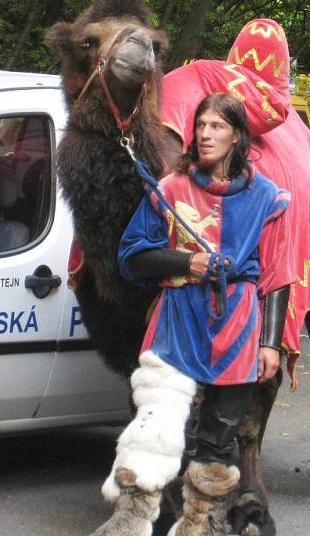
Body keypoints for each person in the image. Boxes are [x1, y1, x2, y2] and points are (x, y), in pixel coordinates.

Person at [97, 93, 292, 536]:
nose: (205, 134)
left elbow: (279, 276)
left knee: (218, 439)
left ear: (238, 136)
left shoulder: (268, 198)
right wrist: (187, 264)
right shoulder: (170, 188)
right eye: (200, 124)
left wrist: (270, 344)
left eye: (217, 126)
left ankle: (199, 525)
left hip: (237, 325)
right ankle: (136, 520)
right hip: (177, 320)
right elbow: (132, 257)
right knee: (157, 429)